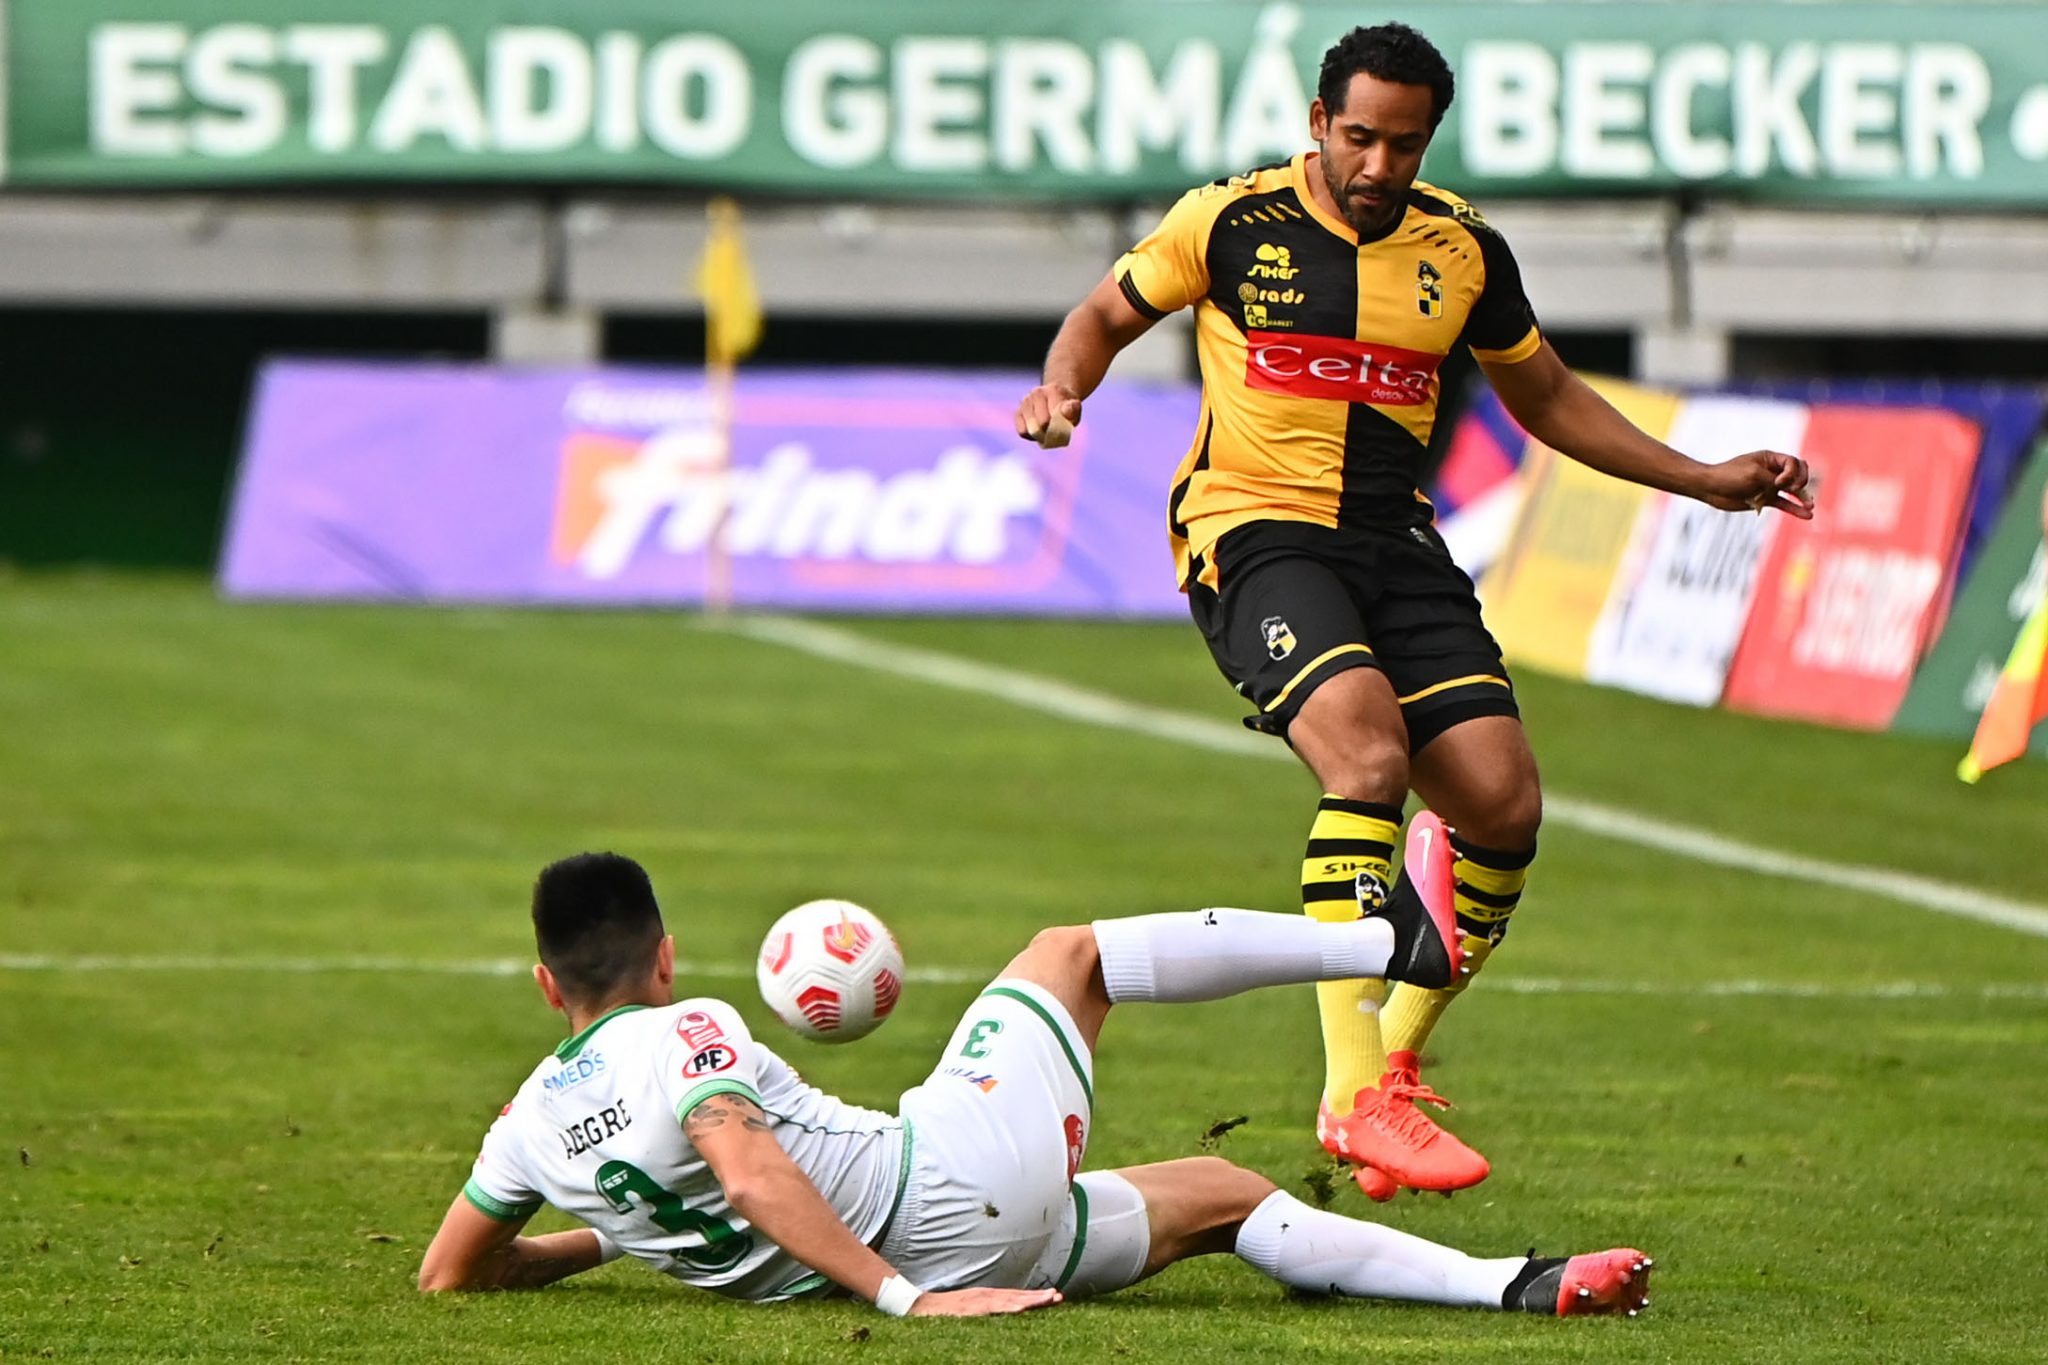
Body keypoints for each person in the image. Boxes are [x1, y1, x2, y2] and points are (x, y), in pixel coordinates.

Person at [1012, 22, 1814, 1201]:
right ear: (1316, 123)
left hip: (1394, 545)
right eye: (1358, 138)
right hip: (1254, 532)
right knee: (1367, 756)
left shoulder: (1462, 249)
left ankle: (1391, 1052)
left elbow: (1544, 395)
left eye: (1403, 143)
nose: (1377, 164)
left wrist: (1697, 477)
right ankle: (1352, 1097)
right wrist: (1062, 388)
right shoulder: (1226, 222)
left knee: (1501, 805)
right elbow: (1100, 317)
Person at [418, 836, 1652, 1319]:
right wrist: (904, 1301)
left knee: (1220, 1193)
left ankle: (1516, 1284)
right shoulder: (685, 1028)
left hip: (963, 1246)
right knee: (1070, 956)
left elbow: (451, 1274)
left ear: (544, 986)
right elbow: (743, 1171)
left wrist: (617, 1233)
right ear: (664, 956)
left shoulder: (526, 1126)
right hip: (935, 1202)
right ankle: (1393, 942)